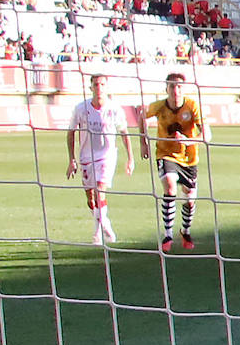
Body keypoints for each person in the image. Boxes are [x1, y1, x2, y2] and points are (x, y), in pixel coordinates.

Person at [138, 72, 209, 253]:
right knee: (170, 187)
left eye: (179, 86)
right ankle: (167, 235)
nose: (175, 90)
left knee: (190, 198)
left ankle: (185, 232)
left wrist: (188, 141)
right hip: (165, 154)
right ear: (166, 88)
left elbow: (207, 135)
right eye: (171, 86)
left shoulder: (193, 106)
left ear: (183, 89)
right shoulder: (159, 106)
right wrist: (143, 143)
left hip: (189, 159)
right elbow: (141, 115)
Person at [66, 73, 134, 245]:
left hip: (107, 156)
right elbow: (71, 132)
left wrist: (130, 158)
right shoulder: (81, 108)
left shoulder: (114, 109)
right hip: (86, 157)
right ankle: (105, 223)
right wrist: (71, 160)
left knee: (100, 191)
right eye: (96, 85)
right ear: (91, 88)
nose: (99, 88)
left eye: (102, 84)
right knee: (91, 198)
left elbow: (124, 133)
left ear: (106, 87)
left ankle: (97, 234)